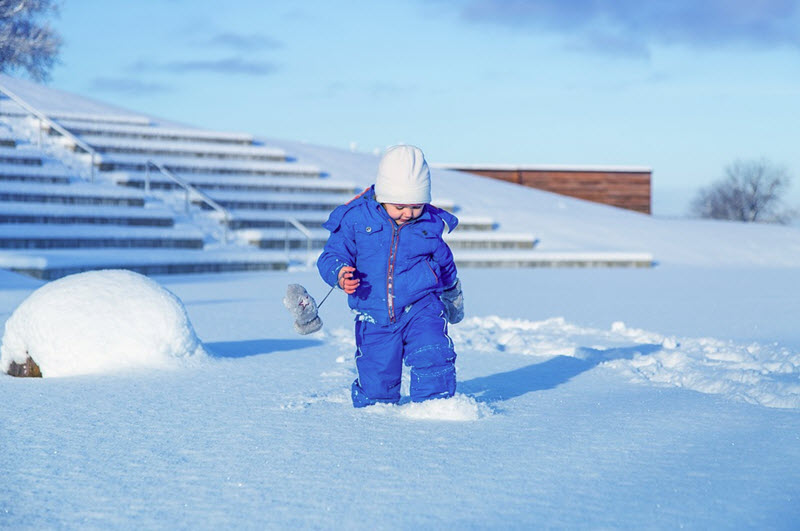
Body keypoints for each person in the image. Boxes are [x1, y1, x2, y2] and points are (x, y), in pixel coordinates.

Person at [317, 144, 465, 408]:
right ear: (383, 196)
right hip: (374, 312)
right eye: (400, 206)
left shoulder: (429, 224)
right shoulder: (355, 220)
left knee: (433, 352)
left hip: (422, 306)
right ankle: (377, 416)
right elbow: (331, 254)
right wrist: (339, 273)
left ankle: (437, 408)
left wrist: (452, 292)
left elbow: (444, 262)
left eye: (416, 206)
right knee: (377, 378)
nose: (408, 213)